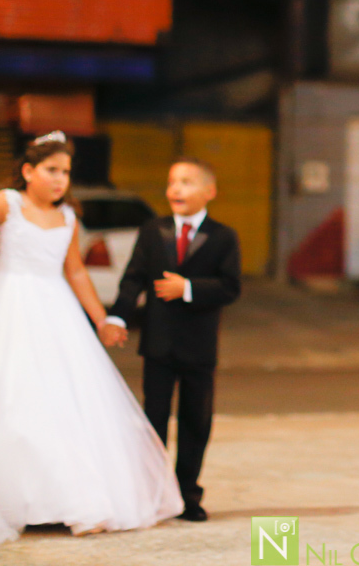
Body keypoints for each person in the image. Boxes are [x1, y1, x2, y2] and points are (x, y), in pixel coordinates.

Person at [0, 133, 183, 544]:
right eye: (51, 170)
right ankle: (9, 499)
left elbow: (76, 271)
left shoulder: (69, 218)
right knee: (8, 397)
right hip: (4, 308)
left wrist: (102, 319)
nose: (60, 179)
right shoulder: (5, 203)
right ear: (28, 171)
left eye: (65, 172)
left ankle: (70, 500)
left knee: (63, 400)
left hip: (56, 311)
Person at [106, 158, 242, 523]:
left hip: (199, 347)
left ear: (209, 191)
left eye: (186, 182)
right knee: (154, 419)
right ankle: (152, 493)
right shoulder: (153, 230)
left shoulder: (223, 236)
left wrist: (190, 288)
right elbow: (133, 278)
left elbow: (231, 287)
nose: (176, 189)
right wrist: (117, 315)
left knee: (196, 420)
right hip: (159, 344)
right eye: (172, 182)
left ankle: (188, 494)